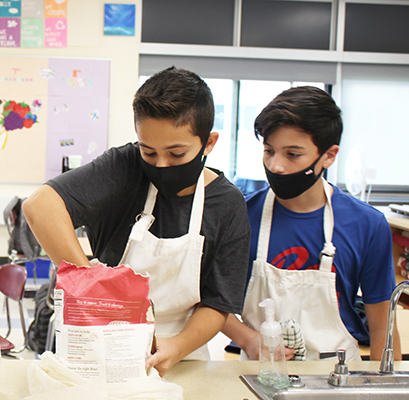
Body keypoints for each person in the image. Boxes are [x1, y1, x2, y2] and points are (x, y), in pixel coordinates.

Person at [23, 67, 251, 376]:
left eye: (176, 153)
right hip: (101, 341)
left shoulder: (227, 204)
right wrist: (91, 287)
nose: (161, 165)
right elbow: (41, 206)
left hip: (179, 354)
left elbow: (219, 301)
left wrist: (177, 346)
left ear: (208, 143)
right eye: (149, 151)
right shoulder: (125, 168)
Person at [222, 86, 399, 362]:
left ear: (328, 155)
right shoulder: (242, 215)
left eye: (292, 154)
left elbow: (381, 327)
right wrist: (248, 339)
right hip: (259, 371)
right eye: (269, 151)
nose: (276, 166)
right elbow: (210, 299)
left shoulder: (367, 224)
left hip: (338, 375)